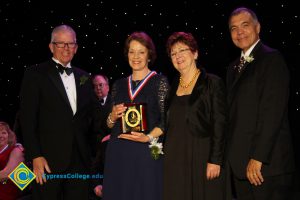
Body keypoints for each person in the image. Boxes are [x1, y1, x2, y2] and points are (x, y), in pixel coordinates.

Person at [19, 24, 102, 200]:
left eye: (70, 44)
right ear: (51, 46)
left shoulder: (85, 77)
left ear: (76, 47)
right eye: (60, 43)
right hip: (47, 161)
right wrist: (35, 155)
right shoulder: (35, 74)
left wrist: (113, 122)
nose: (66, 48)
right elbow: (27, 119)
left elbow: (94, 118)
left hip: (80, 160)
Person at [226, 7, 295, 199]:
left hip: (266, 168)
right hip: (241, 168)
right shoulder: (232, 68)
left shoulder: (272, 59)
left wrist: (258, 158)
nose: (239, 32)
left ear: (258, 28)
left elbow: (272, 112)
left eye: (245, 25)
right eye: (233, 28)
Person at [102, 31, 169, 200]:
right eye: (132, 51)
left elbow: (167, 120)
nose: (136, 56)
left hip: (146, 153)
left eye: (141, 52)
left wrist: (147, 138)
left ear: (149, 55)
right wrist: (112, 116)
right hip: (119, 153)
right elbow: (108, 125)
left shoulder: (159, 82)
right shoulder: (118, 84)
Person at [163, 32, 230, 200]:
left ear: (195, 53)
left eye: (182, 50)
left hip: (202, 156)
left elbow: (220, 124)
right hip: (175, 159)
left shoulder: (212, 83)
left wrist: (215, 160)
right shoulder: (171, 89)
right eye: (173, 53)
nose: (177, 56)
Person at [90, 74, 112, 199]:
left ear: (108, 87)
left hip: (110, 150)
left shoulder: (116, 103)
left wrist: (111, 136)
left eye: (101, 85)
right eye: (95, 86)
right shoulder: (89, 106)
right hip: (94, 152)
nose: (98, 88)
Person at [0, 121, 25, 200]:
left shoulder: (17, 149)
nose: (0, 136)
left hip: (9, 195)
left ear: (9, 136)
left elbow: (6, 174)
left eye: (3, 133)